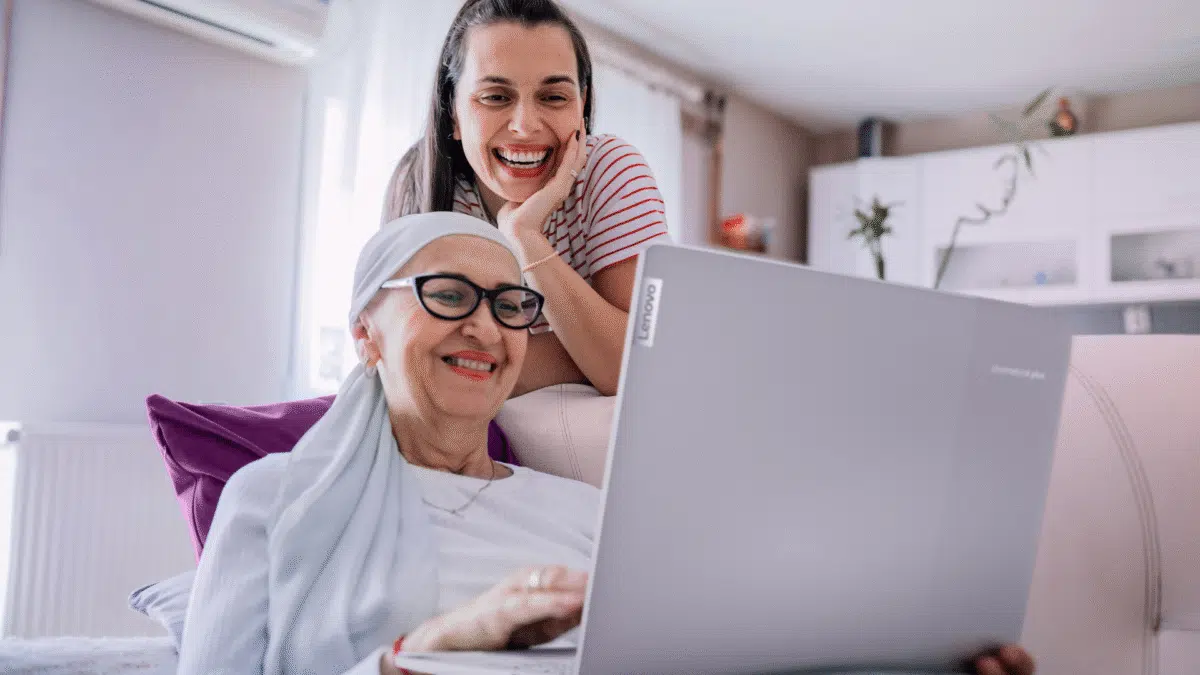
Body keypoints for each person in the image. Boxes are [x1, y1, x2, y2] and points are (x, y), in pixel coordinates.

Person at [177, 212, 1036, 675]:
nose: (487, 325)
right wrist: (439, 646)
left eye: (512, 305)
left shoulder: (590, 512)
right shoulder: (274, 498)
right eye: (448, 294)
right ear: (366, 332)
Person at [383, 0, 669, 399]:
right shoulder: (424, 182)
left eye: (553, 97)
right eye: (496, 97)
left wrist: (525, 237)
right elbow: (412, 366)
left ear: (581, 106)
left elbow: (639, 370)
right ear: (452, 112)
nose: (525, 126)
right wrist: (585, 348)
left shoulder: (610, 170)